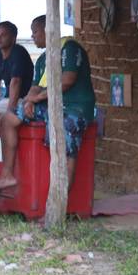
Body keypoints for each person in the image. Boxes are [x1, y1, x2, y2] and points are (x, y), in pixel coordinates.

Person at [18, 14, 95, 187]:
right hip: (51, 107)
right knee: (12, 116)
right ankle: (11, 176)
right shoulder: (42, 59)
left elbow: (67, 80)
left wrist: (37, 98)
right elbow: (35, 87)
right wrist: (29, 101)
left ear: (47, 30)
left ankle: (62, 204)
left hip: (74, 108)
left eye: (35, 31)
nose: (33, 36)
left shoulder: (69, 48)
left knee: (65, 149)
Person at [0, 20, 34, 191]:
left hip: (21, 99)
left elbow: (15, 83)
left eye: (3, 34)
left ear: (13, 37)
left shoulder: (19, 52)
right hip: (5, 98)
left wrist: (10, 110)